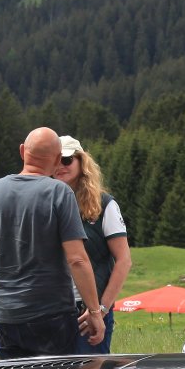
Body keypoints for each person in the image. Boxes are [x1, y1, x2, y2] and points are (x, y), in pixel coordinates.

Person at [0, 127, 105, 359]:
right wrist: (94, 312)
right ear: (57, 159)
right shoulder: (59, 193)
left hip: (6, 316)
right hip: (52, 315)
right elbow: (77, 259)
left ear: (22, 151)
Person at [53, 134, 132, 354]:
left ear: (82, 162)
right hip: (50, 310)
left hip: (88, 311)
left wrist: (102, 309)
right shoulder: (44, 203)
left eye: (66, 160)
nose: (60, 166)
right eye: (55, 160)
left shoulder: (104, 204)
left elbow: (124, 260)